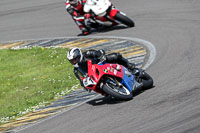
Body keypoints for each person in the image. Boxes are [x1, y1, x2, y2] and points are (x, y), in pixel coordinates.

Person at [67, 47, 137, 90]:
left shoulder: (88, 53)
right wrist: (85, 86)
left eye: (75, 59)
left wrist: (101, 56)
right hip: (95, 77)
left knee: (116, 56)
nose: (74, 61)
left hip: (102, 65)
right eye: (72, 61)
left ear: (79, 55)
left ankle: (129, 66)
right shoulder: (76, 70)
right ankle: (110, 89)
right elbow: (81, 81)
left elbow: (100, 52)